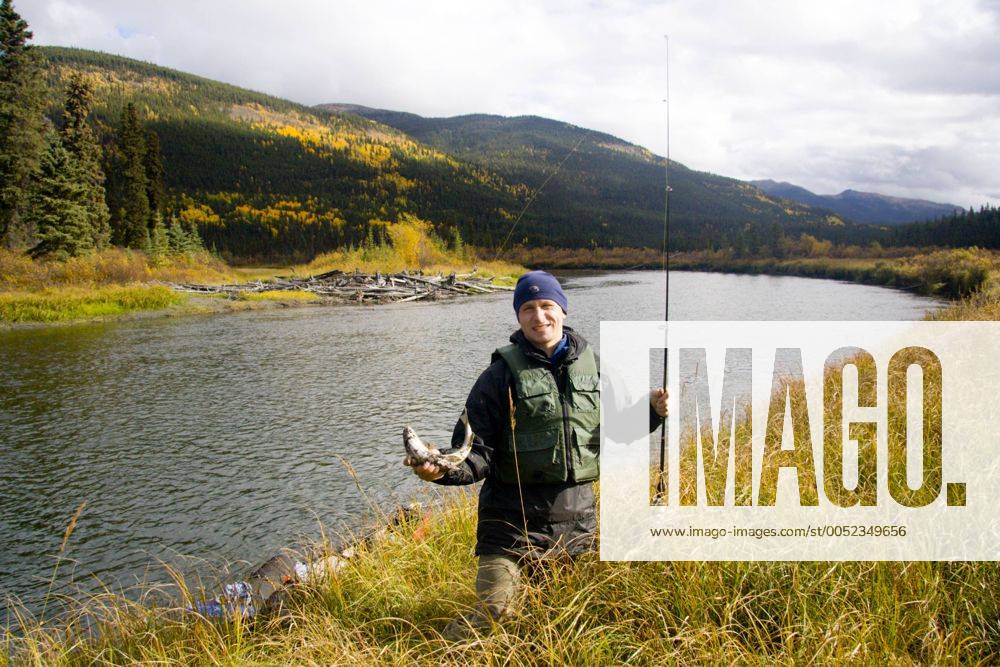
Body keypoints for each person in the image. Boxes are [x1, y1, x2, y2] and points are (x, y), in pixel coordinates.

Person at [406, 270, 668, 639]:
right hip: (510, 527)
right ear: (518, 316)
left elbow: (621, 430)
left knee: (568, 625)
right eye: (528, 308)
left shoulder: (596, 371)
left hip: (575, 526)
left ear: (562, 309)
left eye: (547, 305)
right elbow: (474, 453)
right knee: (494, 613)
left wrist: (652, 411)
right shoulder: (498, 377)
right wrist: (440, 470)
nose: (539, 316)